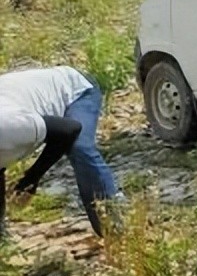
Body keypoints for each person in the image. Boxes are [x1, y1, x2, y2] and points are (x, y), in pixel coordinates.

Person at [0, 66, 124, 237]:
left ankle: (116, 228)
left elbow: (68, 130)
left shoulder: (9, 127)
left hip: (75, 89)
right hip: (27, 97)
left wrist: (31, 179)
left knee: (79, 147)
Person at [1, 102, 82, 238]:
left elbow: (71, 129)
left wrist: (31, 178)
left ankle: (110, 220)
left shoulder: (12, 127)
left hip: (75, 94)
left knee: (83, 151)